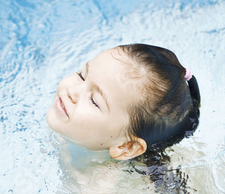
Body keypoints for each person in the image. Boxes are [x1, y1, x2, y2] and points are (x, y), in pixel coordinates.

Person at [46, 43, 200, 160]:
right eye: (82, 75)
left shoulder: (98, 190)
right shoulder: (73, 127)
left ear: (126, 147)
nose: (72, 91)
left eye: (94, 101)